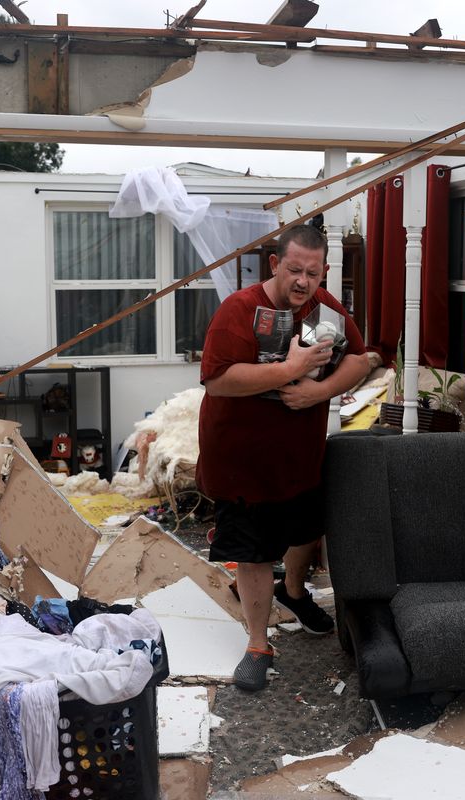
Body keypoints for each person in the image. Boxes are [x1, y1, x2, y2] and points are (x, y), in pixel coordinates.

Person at [196, 225, 370, 692]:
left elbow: (361, 359)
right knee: (253, 552)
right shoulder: (239, 309)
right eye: (294, 269)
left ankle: (292, 592)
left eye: (313, 273)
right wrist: (290, 370)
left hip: (299, 458)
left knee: (304, 532)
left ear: (324, 272)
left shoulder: (328, 311)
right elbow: (217, 379)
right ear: (275, 265)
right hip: (243, 462)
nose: (302, 281)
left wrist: (321, 389)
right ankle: (258, 644)